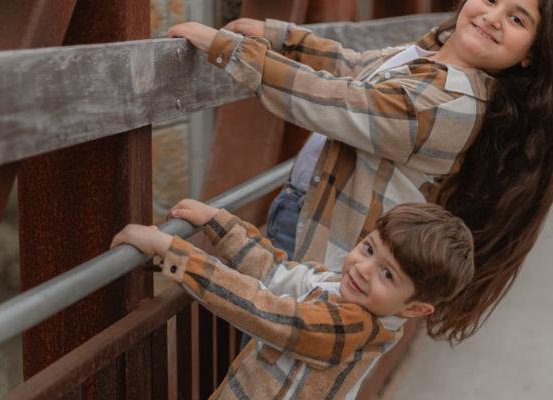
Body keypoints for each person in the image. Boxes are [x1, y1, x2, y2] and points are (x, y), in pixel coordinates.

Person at [167, 0, 553, 341]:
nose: (493, 17)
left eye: (517, 19)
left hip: (337, 253)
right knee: (265, 350)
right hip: (305, 212)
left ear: (528, 57)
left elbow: (343, 101)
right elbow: (354, 66)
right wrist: (283, 37)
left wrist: (232, 52)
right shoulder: (429, 56)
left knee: (282, 366)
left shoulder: (454, 105)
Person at [111, 199, 474, 399]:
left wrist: (174, 253)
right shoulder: (337, 285)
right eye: (368, 249)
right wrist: (220, 225)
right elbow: (275, 272)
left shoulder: (352, 328)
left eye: (388, 274)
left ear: (412, 309)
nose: (363, 269)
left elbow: (266, 312)